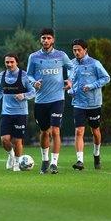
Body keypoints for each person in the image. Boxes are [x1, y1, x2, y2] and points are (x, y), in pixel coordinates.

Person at [26, 28, 72, 174]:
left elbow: (71, 67)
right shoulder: (33, 57)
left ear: (53, 40)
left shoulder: (61, 55)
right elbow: (29, 75)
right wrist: (34, 83)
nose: (45, 40)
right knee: (44, 132)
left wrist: (70, 80)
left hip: (57, 99)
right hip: (41, 101)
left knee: (55, 130)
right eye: (43, 38)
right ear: (40, 40)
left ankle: (54, 163)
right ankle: (45, 160)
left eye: (48, 38)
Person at [68, 39, 111, 170]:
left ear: (85, 50)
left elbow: (106, 78)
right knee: (79, 131)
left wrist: (92, 86)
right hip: (78, 103)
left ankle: (96, 154)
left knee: (95, 131)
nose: (76, 52)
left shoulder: (95, 63)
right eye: (74, 50)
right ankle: (80, 161)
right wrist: (71, 90)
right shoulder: (71, 64)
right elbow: (70, 82)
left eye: (79, 50)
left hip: (93, 103)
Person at [0, 53, 36, 171]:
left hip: (21, 113)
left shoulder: (24, 76)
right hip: (6, 113)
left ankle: (17, 163)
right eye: (7, 62)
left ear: (16, 62)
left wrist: (24, 95)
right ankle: (11, 155)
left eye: (11, 62)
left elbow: (33, 92)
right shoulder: (1, 76)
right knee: (4, 140)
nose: (9, 64)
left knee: (17, 140)